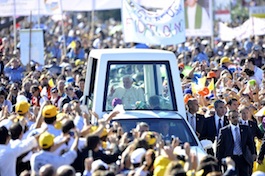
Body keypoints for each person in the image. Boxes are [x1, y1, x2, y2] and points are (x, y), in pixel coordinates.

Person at [216, 110, 255, 176]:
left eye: (237, 117)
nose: (235, 119)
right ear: (229, 118)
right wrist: (218, 160)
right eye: (233, 117)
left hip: (243, 158)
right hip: (231, 158)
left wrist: (253, 153)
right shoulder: (224, 131)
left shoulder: (245, 128)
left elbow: (251, 142)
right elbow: (220, 146)